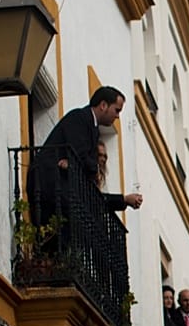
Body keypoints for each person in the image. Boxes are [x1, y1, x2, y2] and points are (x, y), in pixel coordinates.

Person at [29, 86, 126, 233]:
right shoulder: (79, 118)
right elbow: (81, 155)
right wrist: (90, 168)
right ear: (103, 105)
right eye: (117, 110)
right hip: (48, 183)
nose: (117, 116)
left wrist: (76, 165)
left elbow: (83, 160)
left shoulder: (92, 128)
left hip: (60, 190)